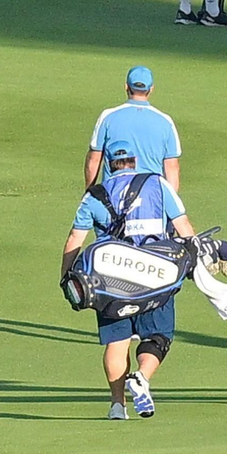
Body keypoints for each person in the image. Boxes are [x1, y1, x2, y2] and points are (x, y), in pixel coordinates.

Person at [61, 141, 197, 419]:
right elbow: (184, 228)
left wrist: (66, 277)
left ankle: (117, 405)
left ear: (109, 163)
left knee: (117, 342)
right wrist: (195, 263)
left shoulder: (94, 195)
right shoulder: (157, 184)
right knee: (158, 336)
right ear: (134, 161)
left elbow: (75, 239)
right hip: (155, 275)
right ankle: (142, 377)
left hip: (109, 281)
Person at [83, 65, 182, 190]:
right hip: (150, 196)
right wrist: (171, 202)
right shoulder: (165, 121)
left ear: (126, 87)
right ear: (151, 89)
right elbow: (172, 167)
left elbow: (94, 159)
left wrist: (89, 192)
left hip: (113, 194)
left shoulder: (108, 117)